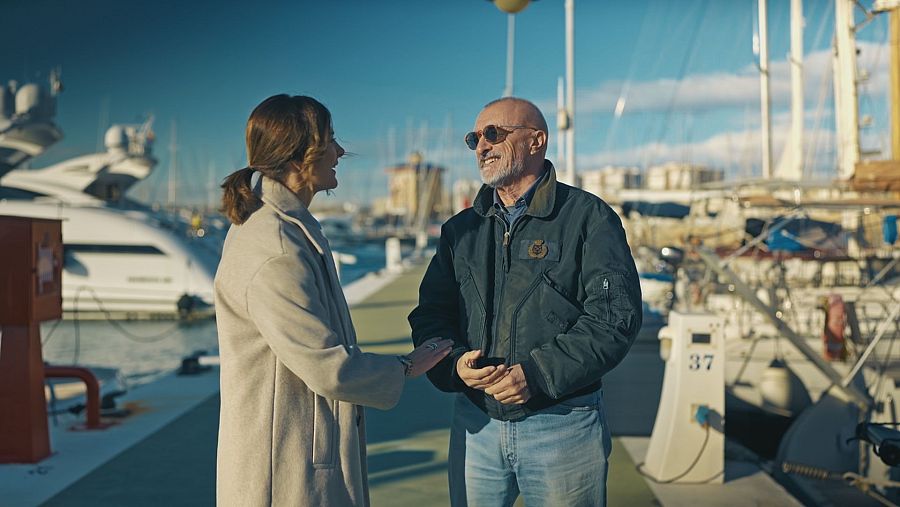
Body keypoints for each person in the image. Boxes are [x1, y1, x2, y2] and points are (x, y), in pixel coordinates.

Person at [214, 94, 452, 507]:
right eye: (331, 140)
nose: (340, 151)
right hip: (282, 469)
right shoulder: (274, 248)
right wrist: (406, 366)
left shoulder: (284, 228)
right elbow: (327, 366)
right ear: (298, 157)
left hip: (296, 450)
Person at [408, 97, 642, 506]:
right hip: (475, 422)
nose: (482, 145)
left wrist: (536, 374)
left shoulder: (589, 217)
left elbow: (614, 319)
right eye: (475, 137)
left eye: (494, 133)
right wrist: (454, 362)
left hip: (562, 425)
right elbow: (432, 312)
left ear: (537, 141)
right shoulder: (460, 230)